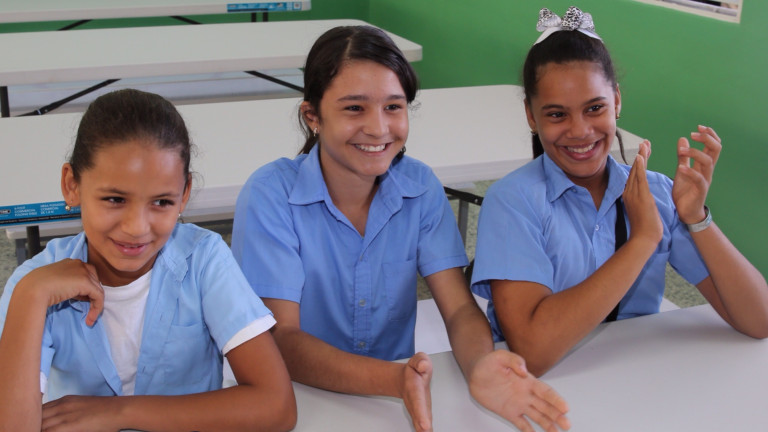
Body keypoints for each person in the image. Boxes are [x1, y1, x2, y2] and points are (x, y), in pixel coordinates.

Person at [231, 25, 570, 432]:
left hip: (392, 406)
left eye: (393, 106)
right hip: (302, 400)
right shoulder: (271, 196)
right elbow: (282, 339)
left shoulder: (420, 187)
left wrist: (480, 364)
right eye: (354, 108)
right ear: (313, 116)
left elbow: (459, 309)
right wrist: (394, 379)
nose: (378, 128)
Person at [471, 6, 768, 378]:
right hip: (543, 391)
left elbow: (759, 320)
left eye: (595, 108)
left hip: (633, 380)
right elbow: (533, 351)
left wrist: (696, 218)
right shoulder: (513, 202)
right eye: (557, 114)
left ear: (617, 101)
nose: (580, 131)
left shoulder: (657, 194)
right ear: (531, 116)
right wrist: (642, 240)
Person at [0, 89, 296, 432]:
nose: (137, 228)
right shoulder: (35, 283)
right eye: (115, 199)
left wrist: (118, 412)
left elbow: (277, 406)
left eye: (161, 202)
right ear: (72, 185)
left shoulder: (203, 259)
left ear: (184, 194)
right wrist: (31, 295)